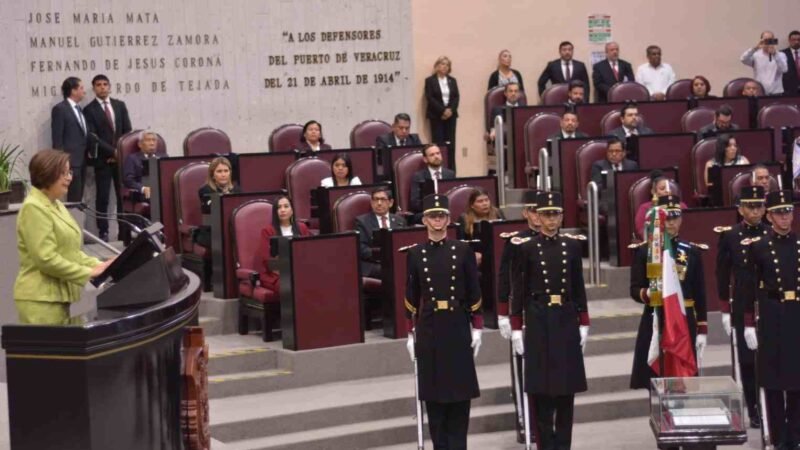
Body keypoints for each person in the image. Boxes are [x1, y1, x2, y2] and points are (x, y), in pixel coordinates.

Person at [510, 191, 590, 450]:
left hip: (565, 318)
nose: (551, 219)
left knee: (566, 390)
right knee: (541, 391)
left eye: (555, 213)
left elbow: (578, 286)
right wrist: (515, 327)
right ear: (537, 216)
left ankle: (564, 445)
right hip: (538, 319)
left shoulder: (572, 246)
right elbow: (519, 289)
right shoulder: (527, 248)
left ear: (562, 215)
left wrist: (584, 321)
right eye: (546, 214)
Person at [404, 194, 483, 450]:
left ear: (449, 219)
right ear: (424, 220)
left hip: (457, 324)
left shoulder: (463, 250)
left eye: (442, 216)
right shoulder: (416, 254)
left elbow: (474, 291)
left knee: (460, 398)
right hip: (430, 327)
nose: (437, 220)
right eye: (432, 216)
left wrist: (478, 327)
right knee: (434, 397)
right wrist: (409, 333)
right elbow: (411, 296)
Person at [14, 150, 112, 324]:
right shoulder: (34, 208)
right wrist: (88, 272)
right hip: (41, 300)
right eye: (64, 173)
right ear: (47, 173)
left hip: (62, 297)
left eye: (70, 172)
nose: (69, 178)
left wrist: (100, 265)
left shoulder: (56, 204)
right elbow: (46, 259)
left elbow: (71, 251)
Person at [629, 195, 708, 391]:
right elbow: (634, 289)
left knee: (681, 382)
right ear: (658, 220)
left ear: (681, 219)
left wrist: (702, 329)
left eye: (675, 218)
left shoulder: (691, 252)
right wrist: (649, 294)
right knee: (655, 380)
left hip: (683, 319)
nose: (671, 223)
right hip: (655, 318)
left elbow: (700, 293)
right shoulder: (645, 252)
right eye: (667, 218)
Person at [743, 190, 800, 448]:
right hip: (773, 315)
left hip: (797, 314)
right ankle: (778, 437)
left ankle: (796, 435)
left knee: (798, 381)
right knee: (775, 381)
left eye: (788, 211)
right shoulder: (759, 247)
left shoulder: (799, 245)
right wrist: (747, 323)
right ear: (769, 215)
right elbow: (748, 288)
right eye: (779, 212)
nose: (785, 217)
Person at [714, 186, 768, 429]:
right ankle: (754, 408)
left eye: (760, 206)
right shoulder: (730, 236)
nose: (756, 211)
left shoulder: (771, 233)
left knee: (771, 356)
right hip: (742, 304)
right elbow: (722, 274)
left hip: (769, 305)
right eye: (751, 206)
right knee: (747, 361)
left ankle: (772, 404)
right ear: (740, 209)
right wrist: (725, 309)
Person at [496, 189, 540, 444]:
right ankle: (525, 425)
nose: (537, 216)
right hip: (522, 314)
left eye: (541, 211)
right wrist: (504, 314)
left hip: (545, 313)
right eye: (533, 211)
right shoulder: (516, 241)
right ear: (525, 213)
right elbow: (505, 278)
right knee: (521, 371)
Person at [82, 74, 132, 242]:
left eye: (105, 84)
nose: (102, 87)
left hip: (121, 161)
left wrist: (121, 153)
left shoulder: (119, 105)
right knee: (102, 197)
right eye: (98, 85)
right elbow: (92, 136)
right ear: (94, 88)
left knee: (122, 196)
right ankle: (103, 231)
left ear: (109, 86)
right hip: (102, 161)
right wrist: (113, 152)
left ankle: (124, 231)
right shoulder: (89, 110)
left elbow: (127, 132)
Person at [258, 196, 311, 292]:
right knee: (290, 283)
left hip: (300, 270)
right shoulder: (268, 231)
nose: (282, 210)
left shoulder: (302, 227)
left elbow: (308, 252)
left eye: (286, 206)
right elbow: (267, 260)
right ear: (275, 212)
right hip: (276, 274)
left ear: (292, 210)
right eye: (279, 207)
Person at [51, 77, 89, 202]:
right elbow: (57, 140)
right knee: (74, 200)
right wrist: (63, 163)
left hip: (83, 161)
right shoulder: (60, 109)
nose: (84, 91)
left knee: (79, 198)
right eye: (81, 88)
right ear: (73, 90)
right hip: (70, 163)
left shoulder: (79, 109)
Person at [354, 186, 406, 278]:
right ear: (371, 202)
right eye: (375, 199)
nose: (379, 203)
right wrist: (384, 255)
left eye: (383, 199)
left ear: (391, 203)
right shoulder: (362, 221)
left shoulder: (400, 221)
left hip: (396, 261)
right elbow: (362, 249)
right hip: (373, 264)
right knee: (390, 270)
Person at [196, 157, 241, 248]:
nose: (223, 174)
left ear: (230, 173)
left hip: (232, 228)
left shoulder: (237, 190)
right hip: (212, 232)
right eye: (219, 171)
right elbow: (213, 214)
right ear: (213, 174)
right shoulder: (205, 191)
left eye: (226, 171)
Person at [425, 56, 460, 169]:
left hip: (451, 116)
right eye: (442, 64)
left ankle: (452, 170)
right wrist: (443, 111)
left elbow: (456, 97)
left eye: (447, 64)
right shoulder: (430, 80)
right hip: (436, 116)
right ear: (437, 66)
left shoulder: (452, 80)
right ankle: (439, 169)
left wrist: (450, 110)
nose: (444, 66)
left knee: (451, 145)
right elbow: (430, 98)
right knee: (438, 145)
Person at [634, 170, 687, 239]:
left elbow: (688, 227)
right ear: (653, 192)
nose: (667, 191)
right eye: (662, 189)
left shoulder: (681, 206)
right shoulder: (645, 208)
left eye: (669, 188)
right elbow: (643, 232)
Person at [409, 144, 455, 214]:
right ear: (425, 159)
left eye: (438, 153)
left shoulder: (450, 174)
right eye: (432, 155)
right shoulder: (418, 177)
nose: (436, 157)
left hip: (447, 210)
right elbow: (415, 203)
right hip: (427, 212)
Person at [741, 31, 789, 95]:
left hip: (776, 92)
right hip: (760, 91)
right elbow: (743, 59)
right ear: (761, 41)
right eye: (765, 40)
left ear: (773, 41)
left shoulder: (781, 55)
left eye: (770, 40)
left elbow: (784, 69)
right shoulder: (756, 55)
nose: (767, 42)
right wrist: (755, 48)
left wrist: (775, 54)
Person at [122, 130, 160, 207]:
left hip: (161, 191)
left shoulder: (163, 157)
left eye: (154, 140)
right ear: (140, 144)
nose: (152, 143)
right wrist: (142, 188)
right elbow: (128, 180)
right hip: (143, 193)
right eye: (148, 140)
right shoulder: (132, 159)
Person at [782, 30, 800, 95]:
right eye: (794, 40)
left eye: (798, 39)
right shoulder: (782, 54)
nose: (796, 42)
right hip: (789, 90)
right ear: (789, 40)